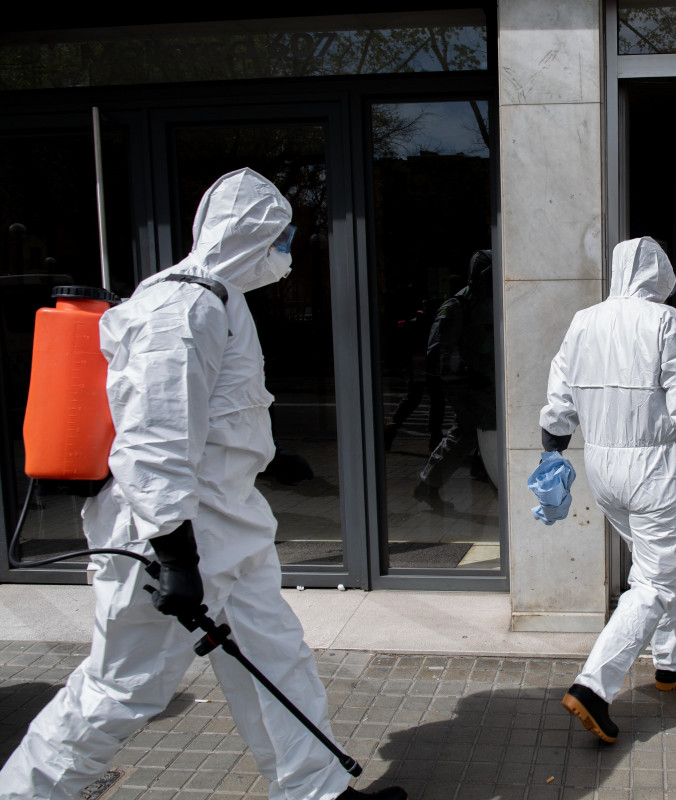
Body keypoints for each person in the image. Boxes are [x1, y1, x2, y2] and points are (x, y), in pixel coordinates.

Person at [0, 169, 405, 800]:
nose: (286, 253)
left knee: (276, 657)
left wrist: (269, 457)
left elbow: (215, 414)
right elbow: (153, 442)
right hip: (168, 534)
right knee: (122, 688)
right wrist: (174, 556)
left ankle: (317, 790)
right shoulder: (182, 309)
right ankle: (26, 791)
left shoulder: (222, 299)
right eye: (281, 239)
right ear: (250, 235)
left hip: (228, 526)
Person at [540, 237, 676, 743]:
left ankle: (671, 660)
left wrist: (553, 445)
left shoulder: (582, 321)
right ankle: (593, 686)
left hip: (602, 468)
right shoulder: (666, 322)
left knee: (653, 566)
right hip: (653, 466)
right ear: (659, 275)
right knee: (655, 581)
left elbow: (559, 396)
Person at [413, 250, 496, 508]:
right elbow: (441, 351)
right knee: (469, 431)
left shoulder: (488, 299)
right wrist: (466, 378)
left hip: (485, 381)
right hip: (468, 383)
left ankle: (433, 483)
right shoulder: (459, 304)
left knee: (480, 431)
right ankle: (429, 484)